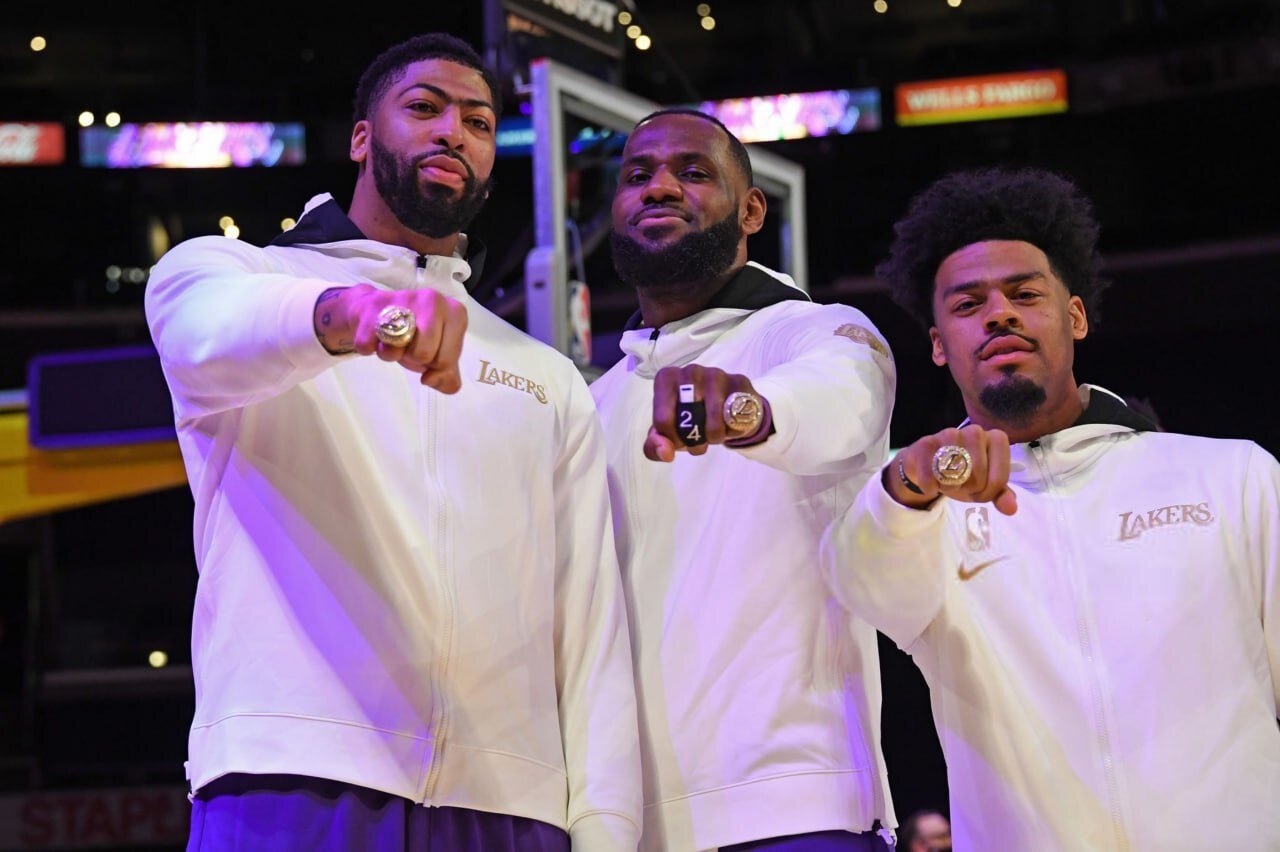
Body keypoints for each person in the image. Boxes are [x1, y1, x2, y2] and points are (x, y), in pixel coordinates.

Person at [145, 33, 640, 850]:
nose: (453, 132)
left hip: (510, 803)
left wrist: (605, 829)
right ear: (361, 138)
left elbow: (589, 627)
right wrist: (352, 315)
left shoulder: (546, 376)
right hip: (295, 773)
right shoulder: (236, 277)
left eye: (479, 122)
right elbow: (207, 333)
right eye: (424, 107)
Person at [821, 167, 1280, 849]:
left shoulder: (1231, 476)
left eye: (1025, 294)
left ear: (1076, 317)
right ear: (939, 345)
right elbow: (860, 580)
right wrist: (911, 484)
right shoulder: (921, 518)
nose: (999, 314)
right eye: (969, 304)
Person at [591, 109, 897, 851]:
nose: (659, 187)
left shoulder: (815, 332)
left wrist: (747, 411)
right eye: (637, 175)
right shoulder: (597, 400)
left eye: (692, 172)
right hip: (631, 822)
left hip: (795, 808)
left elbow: (840, 402)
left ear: (753, 210)